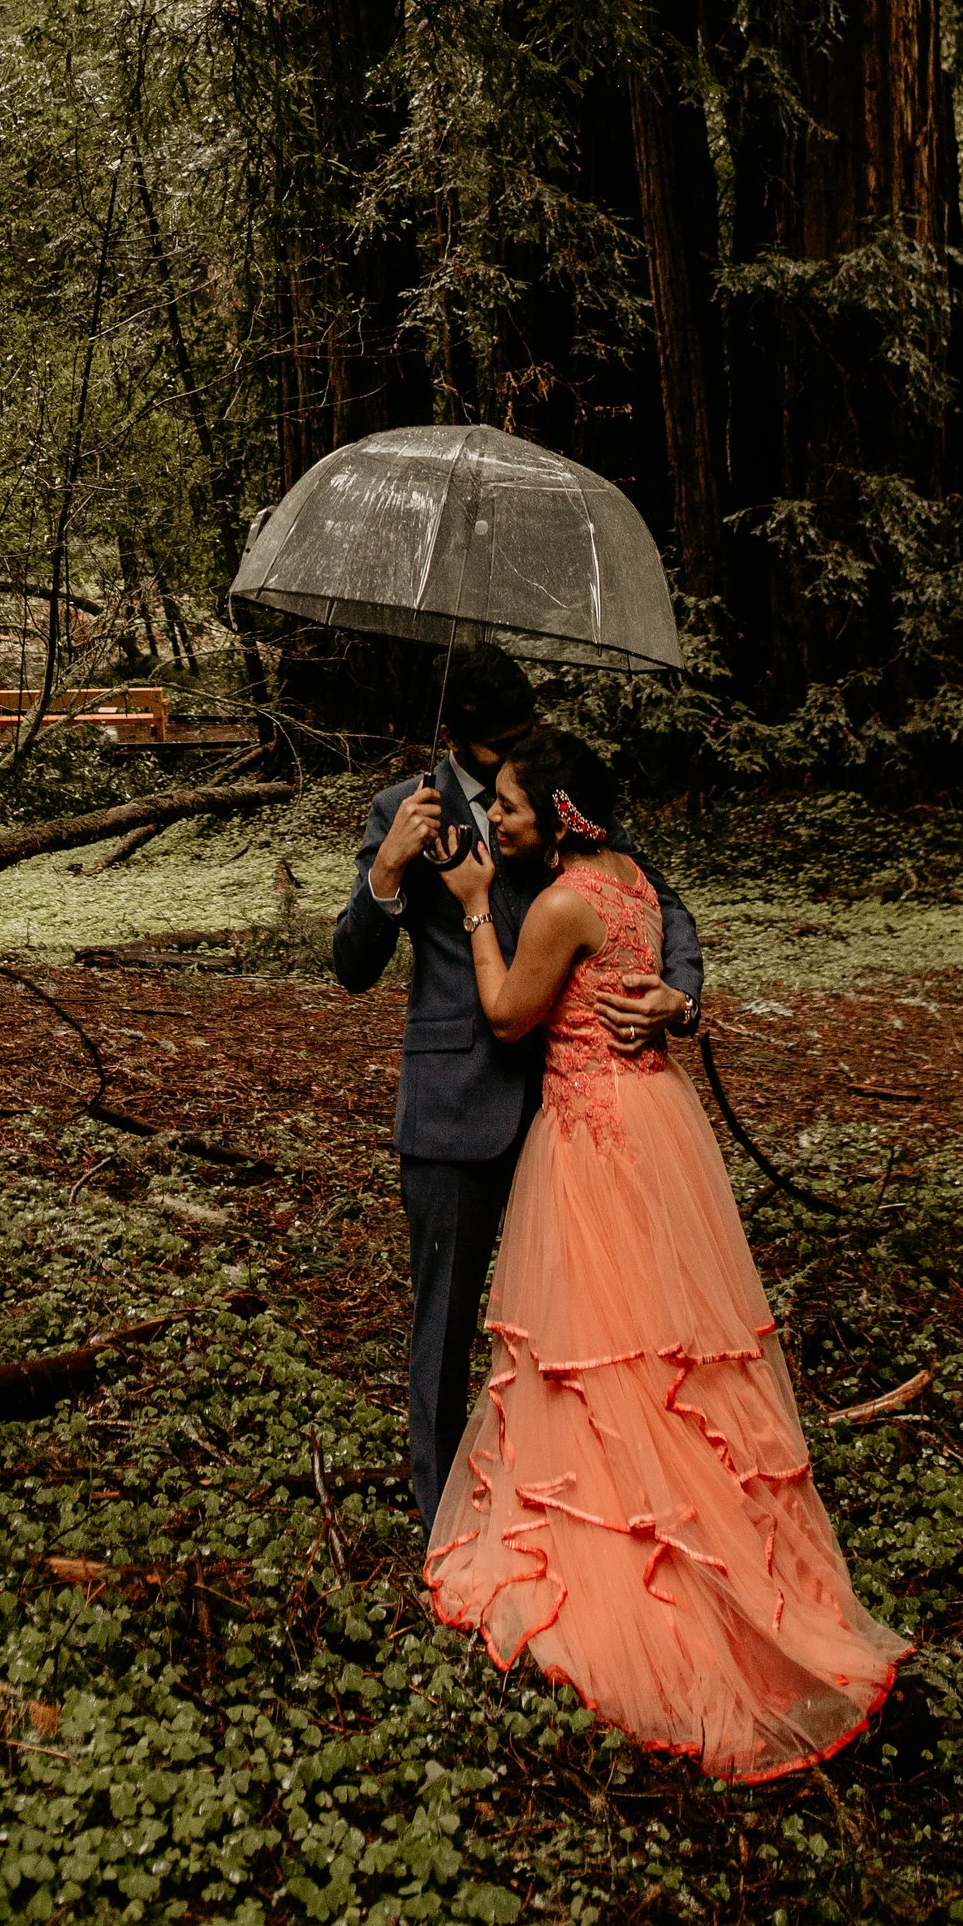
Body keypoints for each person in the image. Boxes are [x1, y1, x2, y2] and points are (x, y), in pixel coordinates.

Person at [425, 737, 908, 1780]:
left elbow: (511, 1015)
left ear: (558, 817)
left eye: (508, 807)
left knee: (596, 1343)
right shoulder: (631, 881)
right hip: (655, 1125)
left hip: (591, 1140)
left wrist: (472, 903)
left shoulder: (556, 905)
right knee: (668, 1340)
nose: (496, 821)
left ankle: (633, 1555)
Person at [331, 649, 704, 1536]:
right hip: (455, 1104)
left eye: (522, 741)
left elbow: (662, 903)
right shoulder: (401, 811)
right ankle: (440, 1521)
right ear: (459, 734)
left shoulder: (550, 790)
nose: (512, 761)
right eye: (500, 744)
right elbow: (351, 967)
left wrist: (677, 996)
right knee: (445, 1328)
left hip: (573, 1114)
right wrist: (386, 873)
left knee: (575, 1327)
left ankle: (563, 1504)